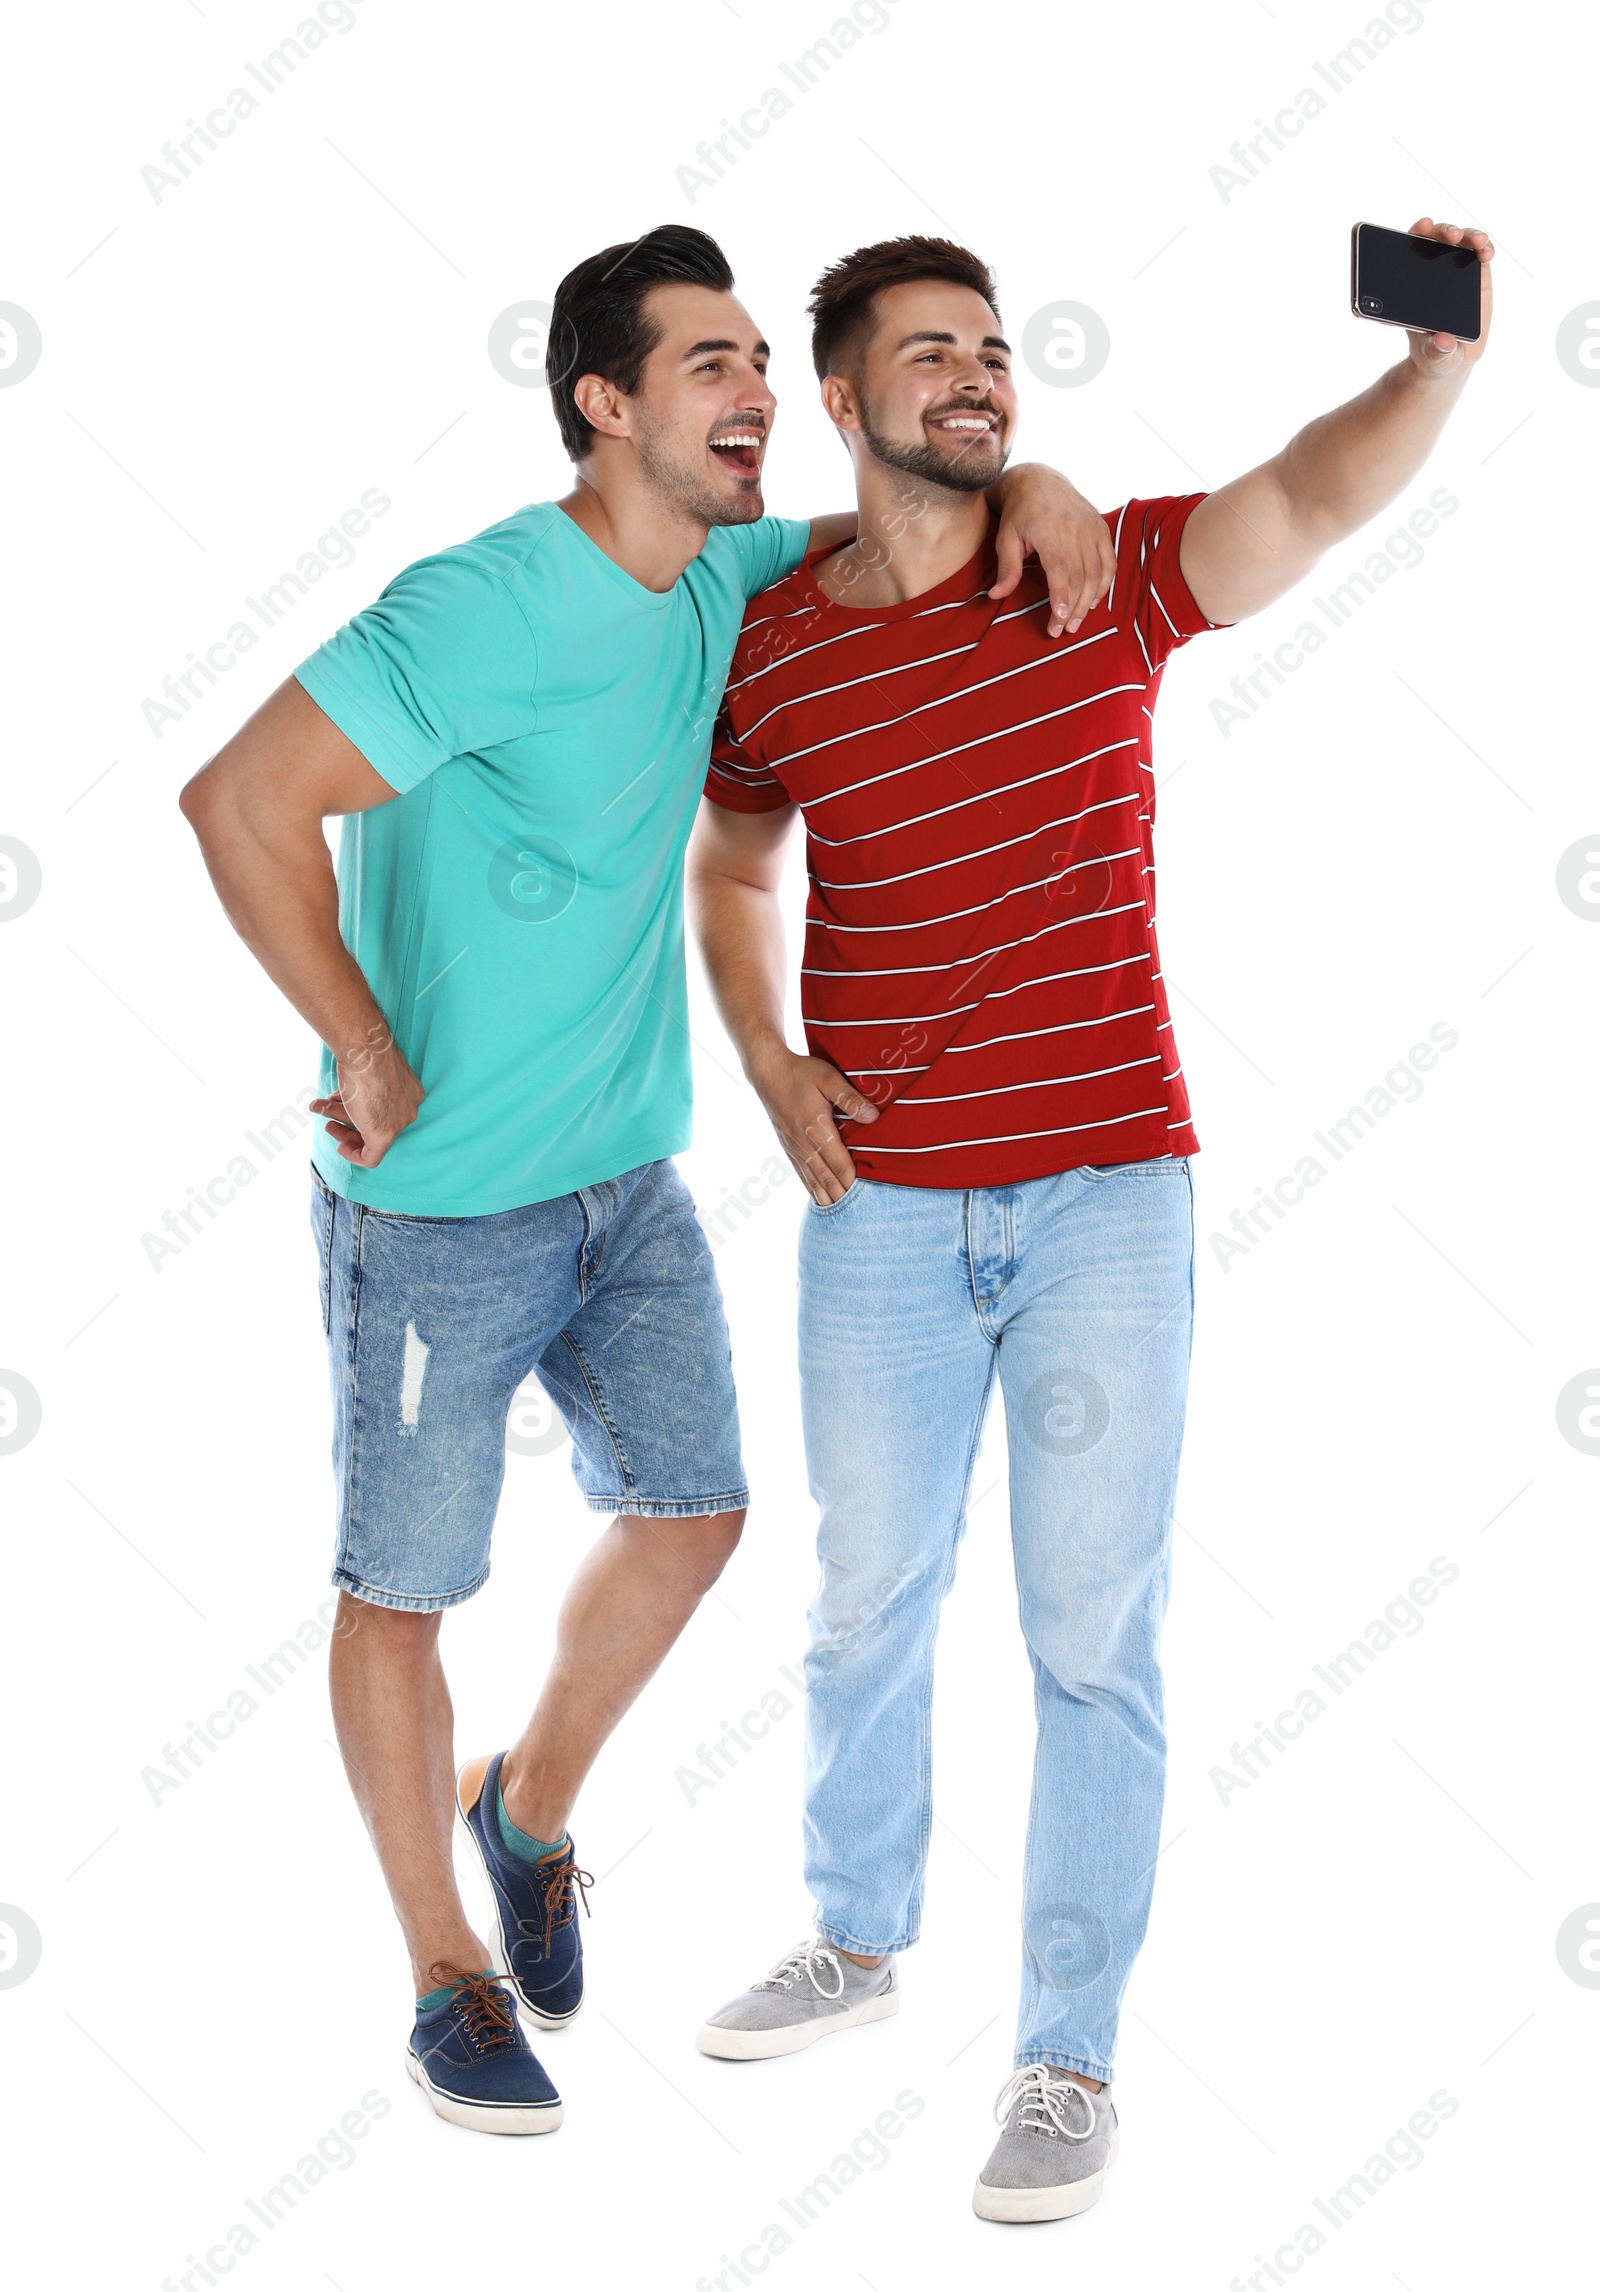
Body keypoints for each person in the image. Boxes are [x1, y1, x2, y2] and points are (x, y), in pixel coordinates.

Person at [177, 221, 1110, 2137]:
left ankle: (520, 1815)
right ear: (604, 406)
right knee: (405, 1583)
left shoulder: (728, 578)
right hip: (435, 1212)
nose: (757, 391)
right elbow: (244, 799)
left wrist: (1036, 467)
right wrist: (360, 1041)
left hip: (632, 1185)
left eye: (766, 360)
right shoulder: (485, 609)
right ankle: (445, 1969)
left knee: (694, 1511)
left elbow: (910, 499)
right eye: (712, 367)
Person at [688, 224, 1493, 2219]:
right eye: (928, 350)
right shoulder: (772, 633)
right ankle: (856, 1941)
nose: (975, 375)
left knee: (1084, 1638)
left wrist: (1428, 366)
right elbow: (728, 858)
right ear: (849, 396)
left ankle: (1062, 2063)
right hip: (872, 1206)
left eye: (990, 350)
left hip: (1104, 1196)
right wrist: (768, 1060)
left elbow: (1302, 497)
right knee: (865, 1599)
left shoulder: (1103, 568)